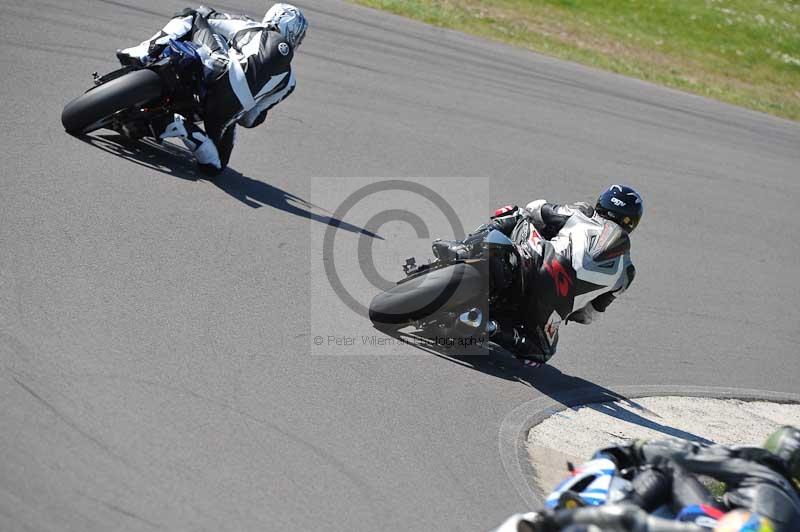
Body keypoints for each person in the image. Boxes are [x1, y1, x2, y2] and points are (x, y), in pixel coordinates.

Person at [433, 184, 642, 366]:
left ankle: (464, 247)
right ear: (632, 222)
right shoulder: (627, 272)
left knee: (517, 213)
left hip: (534, 262)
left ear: (601, 203)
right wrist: (572, 311)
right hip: (553, 305)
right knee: (541, 353)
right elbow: (590, 315)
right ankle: (491, 327)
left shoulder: (583, 213)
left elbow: (536, 208)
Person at [116, 3, 308, 174]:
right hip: (226, 113)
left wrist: (209, 14)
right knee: (216, 166)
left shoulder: (252, 27)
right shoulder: (289, 82)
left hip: (217, 73)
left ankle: (144, 52)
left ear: (276, 17)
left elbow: (209, 17)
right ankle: (181, 127)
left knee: (191, 15)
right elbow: (250, 119)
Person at [597, 426, 800, 531]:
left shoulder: (761, 465)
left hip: (725, 527)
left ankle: (608, 520)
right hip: (730, 522)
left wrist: (635, 449)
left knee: (668, 468)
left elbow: (689, 455)